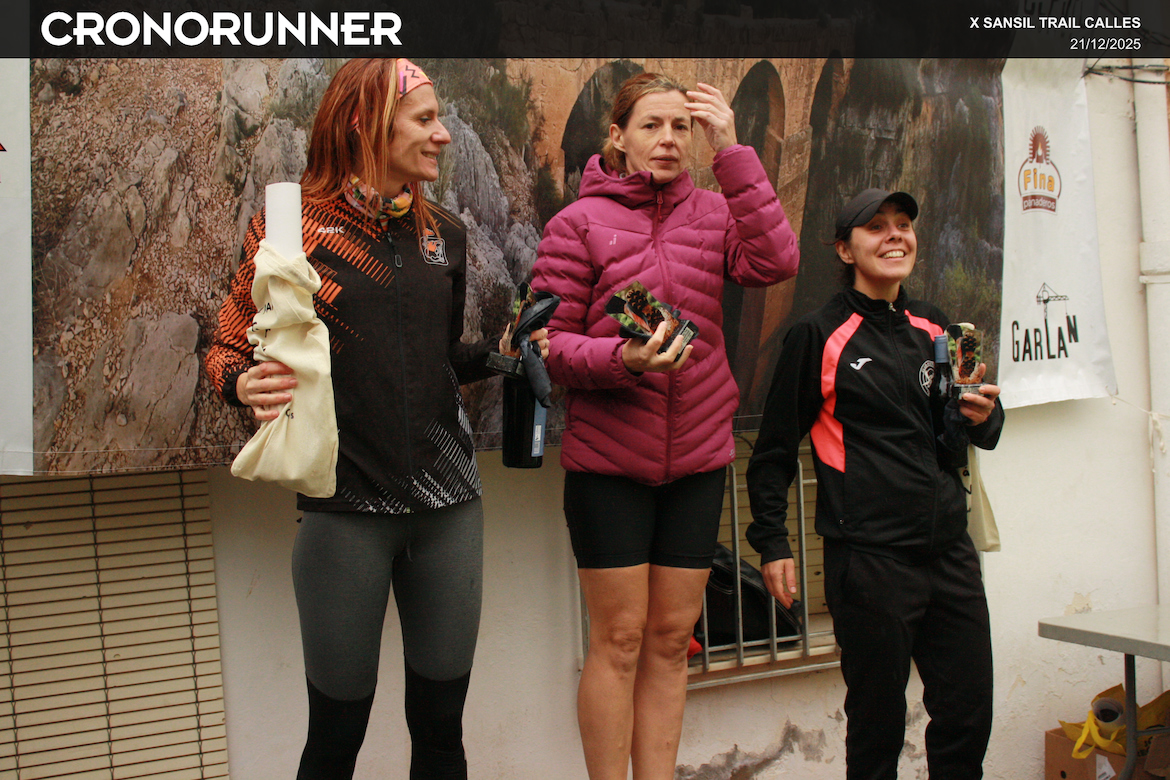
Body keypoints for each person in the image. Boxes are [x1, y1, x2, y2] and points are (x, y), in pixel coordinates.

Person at [205, 58, 546, 780]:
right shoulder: (291, 231)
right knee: (335, 742)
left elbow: (438, 358)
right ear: (366, 125)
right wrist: (241, 383)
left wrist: (502, 356)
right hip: (345, 514)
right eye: (424, 119)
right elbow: (226, 347)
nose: (443, 134)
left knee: (442, 734)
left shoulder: (443, 234)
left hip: (450, 510)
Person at [529, 72, 799, 780]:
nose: (670, 140)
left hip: (698, 461)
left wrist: (733, 150)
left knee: (673, 638)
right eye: (652, 125)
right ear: (617, 136)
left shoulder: (713, 212)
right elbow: (543, 346)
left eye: (683, 127)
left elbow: (776, 260)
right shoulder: (577, 224)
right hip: (609, 464)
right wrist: (624, 360)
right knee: (619, 640)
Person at [745, 188, 1005, 780]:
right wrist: (773, 543)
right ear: (845, 250)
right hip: (869, 561)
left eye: (903, 224)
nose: (895, 236)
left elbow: (972, 433)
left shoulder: (936, 324)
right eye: (877, 227)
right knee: (877, 726)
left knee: (967, 718)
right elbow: (774, 453)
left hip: (950, 553)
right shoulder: (817, 334)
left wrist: (985, 416)